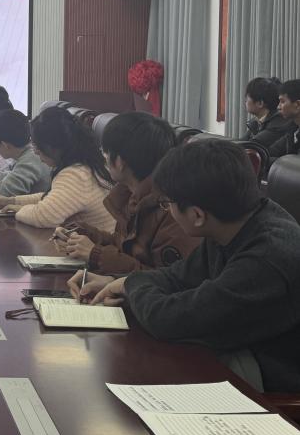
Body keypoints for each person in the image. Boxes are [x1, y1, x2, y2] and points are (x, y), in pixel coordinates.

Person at [69, 140, 300, 393]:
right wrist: (118, 283)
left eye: (167, 203)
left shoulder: (267, 257)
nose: (167, 210)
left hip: (271, 379)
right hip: (234, 349)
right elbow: (176, 278)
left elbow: (171, 320)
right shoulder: (231, 223)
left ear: (197, 215)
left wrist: (130, 285)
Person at [54, 112, 200, 274]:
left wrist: (95, 255)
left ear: (120, 162)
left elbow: (164, 279)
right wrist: (82, 232)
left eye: (105, 152)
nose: (103, 157)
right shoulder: (130, 194)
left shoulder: (172, 208)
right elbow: (124, 246)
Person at [0, 107, 115, 232]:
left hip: (95, 244)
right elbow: (51, 198)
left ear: (52, 147)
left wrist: (18, 209)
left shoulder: (76, 174)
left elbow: (44, 217)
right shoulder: (86, 162)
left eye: (37, 146)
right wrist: (12, 201)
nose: (35, 152)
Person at [0, 109, 50, 198]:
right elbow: (13, 175)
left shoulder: (30, 159)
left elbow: (5, 191)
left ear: (5, 145)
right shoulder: (28, 153)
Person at [240, 77, 291, 148]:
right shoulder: (257, 122)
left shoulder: (278, 123)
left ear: (260, 103)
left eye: (247, 97)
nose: (245, 101)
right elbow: (241, 142)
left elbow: (251, 145)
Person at [268, 79, 300, 159]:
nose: (278, 107)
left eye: (282, 102)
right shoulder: (292, 129)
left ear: (297, 105)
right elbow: (270, 153)